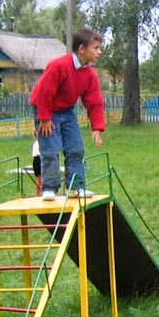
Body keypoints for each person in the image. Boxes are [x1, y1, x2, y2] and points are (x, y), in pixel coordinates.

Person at [29, 27, 106, 201]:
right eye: (96, 48)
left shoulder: (89, 75)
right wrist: (45, 118)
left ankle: (75, 187)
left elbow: (94, 101)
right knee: (51, 148)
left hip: (67, 111)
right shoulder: (59, 66)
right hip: (46, 109)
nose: (99, 52)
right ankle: (48, 188)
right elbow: (44, 92)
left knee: (75, 148)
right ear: (82, 49)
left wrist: (97, 128)